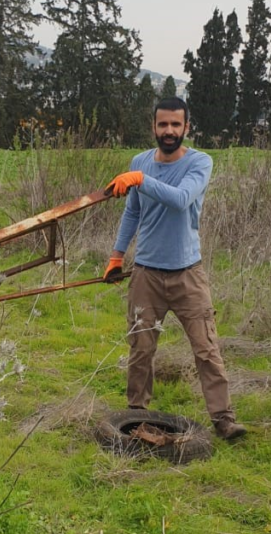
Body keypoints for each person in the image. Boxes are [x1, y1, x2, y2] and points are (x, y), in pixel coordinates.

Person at [103, 97, 246, 440]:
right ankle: (135, 415)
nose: (169, 131)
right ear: (153, 127)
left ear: (186, 128)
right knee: (141, 348)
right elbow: (133, 213)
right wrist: (117, 256)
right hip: (146, 274)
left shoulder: (200, 162)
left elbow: (181, 199)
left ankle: (224, 420)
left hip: (187, 274)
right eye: (162, 124)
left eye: (175, 125)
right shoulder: (139, 161)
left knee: (206, 348)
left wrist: (139, 179)